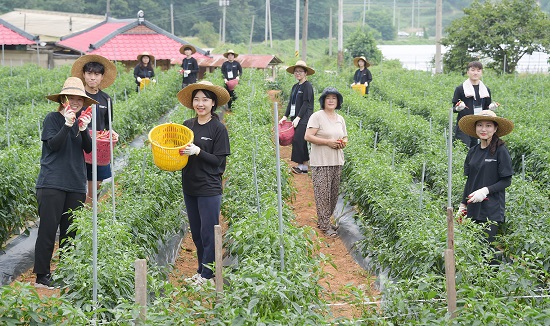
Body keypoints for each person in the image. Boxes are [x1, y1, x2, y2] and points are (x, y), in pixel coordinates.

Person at [34, 77, 98, 288]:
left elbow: (88, 149)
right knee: (48, 230)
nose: (76, 101)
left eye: (79, 98)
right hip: (52, 183)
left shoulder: (80, 122)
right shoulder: (52, 119)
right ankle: (42, 276)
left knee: (70, 232)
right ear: (63, 99)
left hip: (76, 183)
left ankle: (66, 271)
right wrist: (67, 124)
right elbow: (53, 145)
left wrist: (81, 129)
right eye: (71, 97)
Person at [176, 81, 231, 286]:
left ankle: (208, 276)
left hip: (209, 187)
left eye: (205, 100)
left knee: (209, 232)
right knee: (197, 233)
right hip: (190, 185)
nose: (200, 104)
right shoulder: (187, 125)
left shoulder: (218, 128)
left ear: (213, 103)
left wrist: (198, 152)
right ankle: (201, 271)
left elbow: (219, 161)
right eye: (197, 99)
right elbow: (178, 151)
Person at [457, 110, 514, 254]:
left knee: (487, 252)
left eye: (488, 125)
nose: (483, 129)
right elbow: (470, 180)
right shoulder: (473, 151)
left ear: (495, 129)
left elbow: (506, 181)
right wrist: (463, 205)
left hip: (491, 210)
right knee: (473, 251)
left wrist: (485, 190)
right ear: (475, 128)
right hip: (473, 208)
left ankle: (494, 275)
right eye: (480, 125)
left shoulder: (501, 151)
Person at [71, 54, 117, 204]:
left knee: (95, 187)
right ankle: (77, 217)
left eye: (97, 74)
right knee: (76, 185)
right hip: (77, 146)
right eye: (89, 73)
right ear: (83, 75)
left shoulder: (106, 99)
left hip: (98, 149)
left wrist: (112, 132)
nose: (93, 78)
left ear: (102, 77)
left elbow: (107, 125)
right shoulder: (77, 97)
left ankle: (89, 216)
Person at [304, 87, 348, 238]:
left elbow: (345, 136)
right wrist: (327, 142)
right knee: (323, 194)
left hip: (337, 161)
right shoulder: (317, 116)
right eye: (328, 98)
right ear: (323, 101)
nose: (331, 100)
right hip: (321, 162)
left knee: (333, 194)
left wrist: (343, 142)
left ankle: (325, 220)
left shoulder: (340, 119)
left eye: (334, 98)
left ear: (338, 101)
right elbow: (308, 136)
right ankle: (324, 225)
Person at [279, 60, 315, 174]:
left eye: (300, 71)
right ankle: (304, 167)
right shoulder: (295, 87)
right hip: (295, 118)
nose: (297, 73)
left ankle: (301, 166)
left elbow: (306, 103)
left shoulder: (307, 86)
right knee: (299, 141)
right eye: (296, 71)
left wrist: (299, 117)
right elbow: (291, 103)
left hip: (304, 118)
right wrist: (285, 116)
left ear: (305, 73)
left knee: (298, 140)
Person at [452, 61, 500, 148]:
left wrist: (491, 108)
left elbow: (486, 108)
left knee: (478, 149)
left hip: (479, 125)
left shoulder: (485, 90)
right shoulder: (460, 89)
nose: (475, 73)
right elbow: (453, 109)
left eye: (478, 70)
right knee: (463, 148)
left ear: (481, 73)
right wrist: (458, 108)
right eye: (473, 70)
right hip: (464, 125)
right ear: (468, 72)